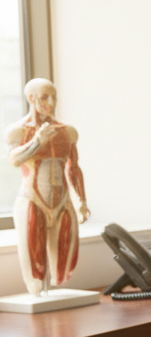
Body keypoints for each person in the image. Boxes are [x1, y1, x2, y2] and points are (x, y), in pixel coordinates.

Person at [5, 78, 90, 296]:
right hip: (32, 198)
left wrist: (81, 200)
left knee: (64, 262)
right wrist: (36, 142)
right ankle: (37, 290)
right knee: (34, 262)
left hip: (62, 201)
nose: (50, 103)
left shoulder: (67, 132)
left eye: (54, 97)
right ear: (31, 98)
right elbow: (14, 160)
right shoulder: (18, 131)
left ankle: (52, 288)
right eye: (44, 97)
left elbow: (73, 168)